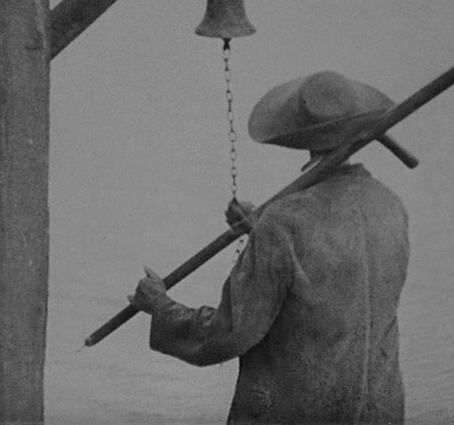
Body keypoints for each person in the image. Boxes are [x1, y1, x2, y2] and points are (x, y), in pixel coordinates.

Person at [129, 70, 410, 424]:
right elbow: (333, 265)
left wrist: (162, 307)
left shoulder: (283, 222)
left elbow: (229, 334)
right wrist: (259, 230)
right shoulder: (390, 206)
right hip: (377, 411)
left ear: (300, 138)